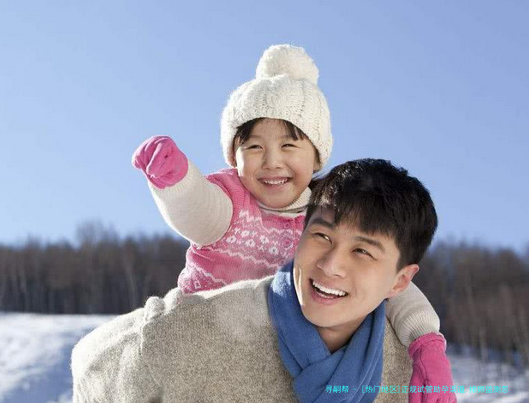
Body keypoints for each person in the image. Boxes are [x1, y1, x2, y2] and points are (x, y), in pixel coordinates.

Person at [131, 44, 448, 387]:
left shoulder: (327, 214)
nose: (272, 162)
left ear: (316, 157)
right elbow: (199, 211)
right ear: (234, 156)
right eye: (254, 147)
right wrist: (176, 179)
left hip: (271, 357)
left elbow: (385, 278)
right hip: (205, 334)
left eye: (288, 146)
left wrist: (425, 340)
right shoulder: (231, 199)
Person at [73, 159, 456, 402]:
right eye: (322, 236)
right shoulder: (200, 331)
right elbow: (93, 366)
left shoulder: (407, 376)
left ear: (400, 281)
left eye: (362, 251)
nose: (331, 265)